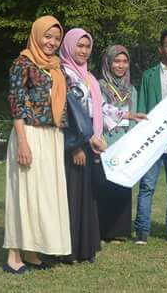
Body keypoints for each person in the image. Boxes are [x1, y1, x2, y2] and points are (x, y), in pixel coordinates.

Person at [3, 15, 71, 274]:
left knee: (44, 196)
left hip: (52, 135)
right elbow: (16, 105)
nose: (52, 42)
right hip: (29, 134)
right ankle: (13, 255)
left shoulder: (56, 67)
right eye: (47, 36)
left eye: (56, 38)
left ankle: (32, 252)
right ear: (36, 35)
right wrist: (23, 143)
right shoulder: (22, 63)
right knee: (24, 193)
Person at [133, 30, 167, 245]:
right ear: (160, 48)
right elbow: (142, 108)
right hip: (152, 141)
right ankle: (142, 232)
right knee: (147, 187)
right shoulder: (149, 76)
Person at [60, 28, 107, 263]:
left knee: (86, 194)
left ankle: (84, 247)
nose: (84, 50)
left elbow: (99, 108)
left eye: (87, 46)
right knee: (71, 194)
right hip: (72, 143)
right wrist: (75, 146)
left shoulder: (88, 77)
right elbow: (65, 112)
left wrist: (128, 115)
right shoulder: (63, 74)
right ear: (69, 46)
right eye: (79, 45)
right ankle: (69, 250)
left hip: (88, 141)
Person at [96, 45, 147, 241]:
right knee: (104, 187)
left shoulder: (131, 89)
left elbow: (135, 119)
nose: (121, 65)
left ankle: (120, 231)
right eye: (116, 61)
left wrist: (132, 143)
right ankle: (102, 230)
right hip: (105, 142)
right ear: (108, 63)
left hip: (125, 144)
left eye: (125, 61)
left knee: (123, 186)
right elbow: (97, 114)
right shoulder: (99, 86)